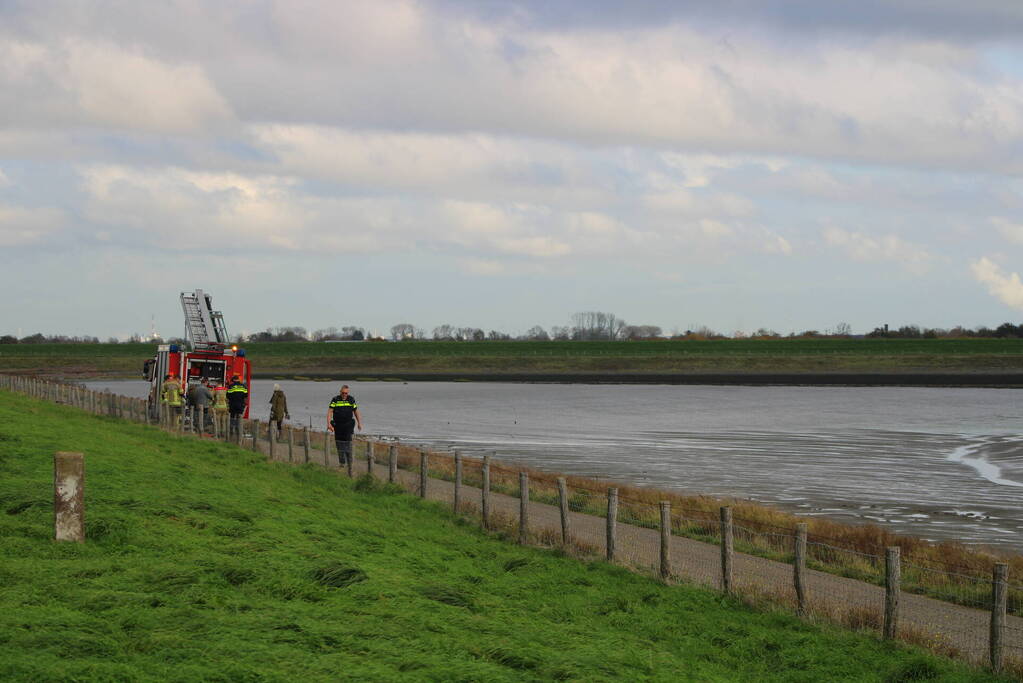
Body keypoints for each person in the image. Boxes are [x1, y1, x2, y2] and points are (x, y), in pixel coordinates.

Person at [327, 384, 362, 467]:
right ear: (340, 392)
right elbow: (330, 412)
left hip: (348, 425)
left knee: (348, 443)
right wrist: (329, 424)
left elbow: (356, 411)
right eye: (343, 393)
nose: (344, 394)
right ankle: (342, 463)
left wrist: (359, 423)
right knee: (339, 444)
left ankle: (350, 463)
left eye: (346, 393)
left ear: (348, 393)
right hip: (338, 426)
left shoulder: (351, 399)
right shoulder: (335, 400)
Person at [226, 374, 249, 439]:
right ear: (238, 379)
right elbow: (246, 395)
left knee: (232, 417)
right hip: (240, 405)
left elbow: (228, 395)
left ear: (233, 380)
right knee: (239, 418)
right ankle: (238, 431)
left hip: (233, 405)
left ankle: (231, 431)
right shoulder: (243, 386)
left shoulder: (231, 386)